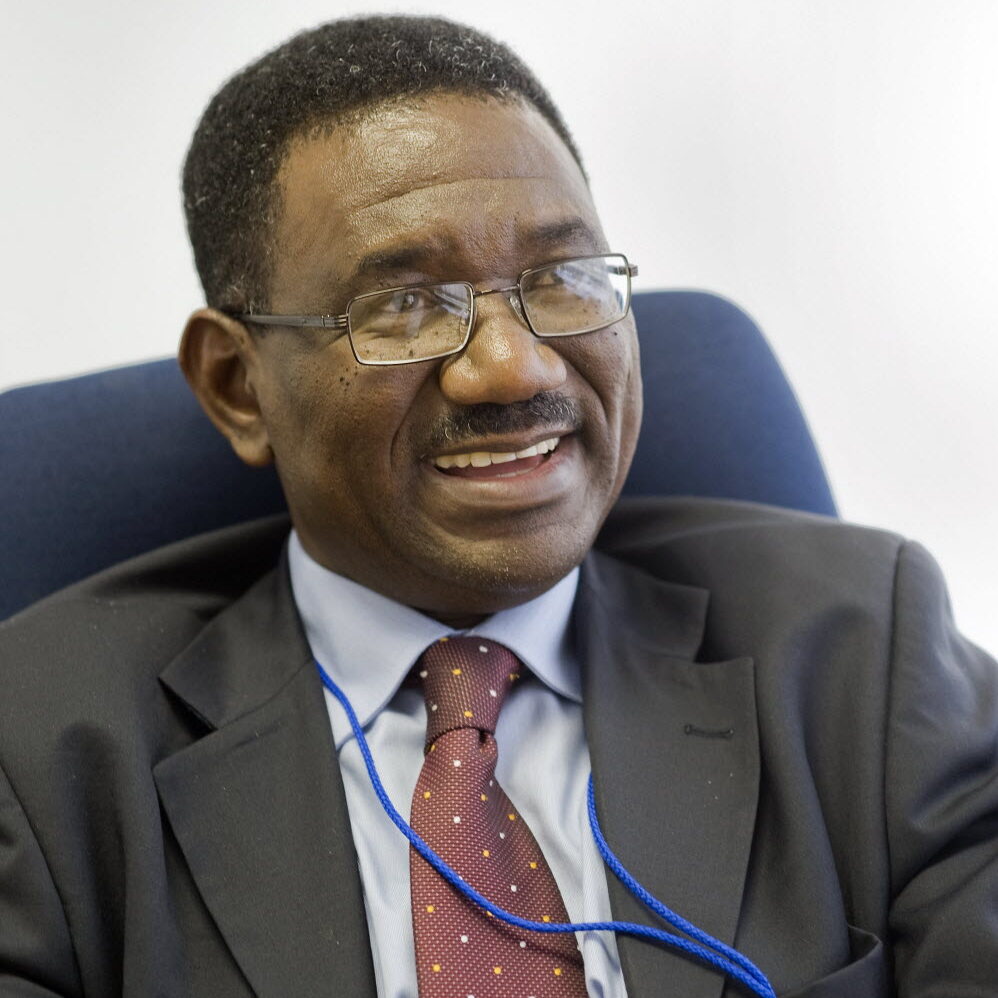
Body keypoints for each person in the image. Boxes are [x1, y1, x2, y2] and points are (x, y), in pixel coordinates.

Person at [0, 14, 995, 998]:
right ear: (235, 384)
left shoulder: (860, 649)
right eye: (404, 305)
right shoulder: (42, 757)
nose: (510, 366)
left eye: (560, 279)